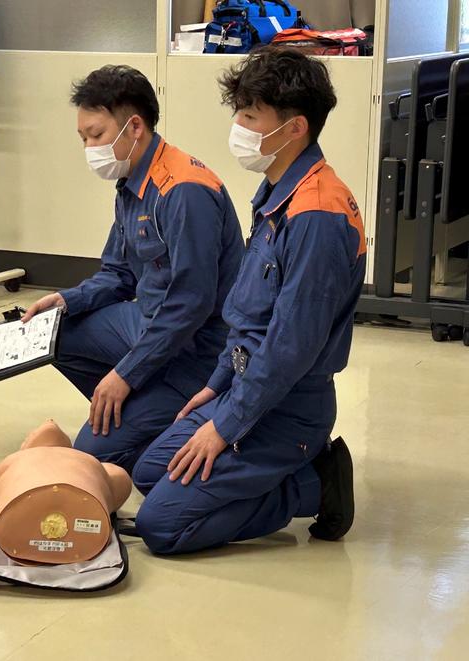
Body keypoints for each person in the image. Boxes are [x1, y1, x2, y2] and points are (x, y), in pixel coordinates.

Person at [132, 47, 364, 554]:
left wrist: (225, 427)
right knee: (148, 473)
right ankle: (285, 469)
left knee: (161, 527)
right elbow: (248, 316)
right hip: (246, 386)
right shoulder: (279, 193)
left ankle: (313, 484)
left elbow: (288, 349)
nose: (238, 126)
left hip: (285, 407)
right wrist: (216, 386)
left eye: (250, 116)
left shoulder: (316, 215)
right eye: (239, 111)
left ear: (295, 127)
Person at [22, 65, 244, 474]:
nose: (89, 148)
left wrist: (125, 374)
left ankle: (171, 412)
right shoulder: (132, 182)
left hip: (197, 349)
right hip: (149, 321)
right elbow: (119, 273)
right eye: (83, 138)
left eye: (96, 135)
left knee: (93, 455)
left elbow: (190, 305)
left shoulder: (183, 192)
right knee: (52, 333)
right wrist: (66, 301)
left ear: (135, 127)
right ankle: (136, 407)